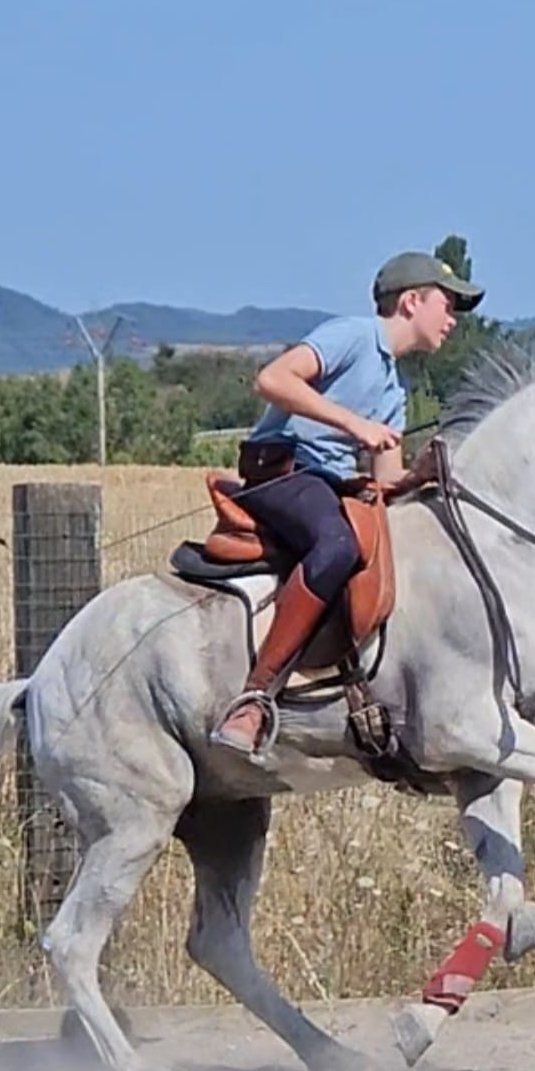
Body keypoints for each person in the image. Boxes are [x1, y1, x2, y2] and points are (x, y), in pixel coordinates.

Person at [210, 250, 485, 754]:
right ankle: (254, 698)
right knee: (337, 545)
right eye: (447, 305)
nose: (452, 320)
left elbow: (386, 478)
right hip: (283, 471)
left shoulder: (397, 387)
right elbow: (272, 380)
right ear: (410, 302)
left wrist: (419, 476)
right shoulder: (354, 337)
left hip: (328, 486)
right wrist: (353, 424)